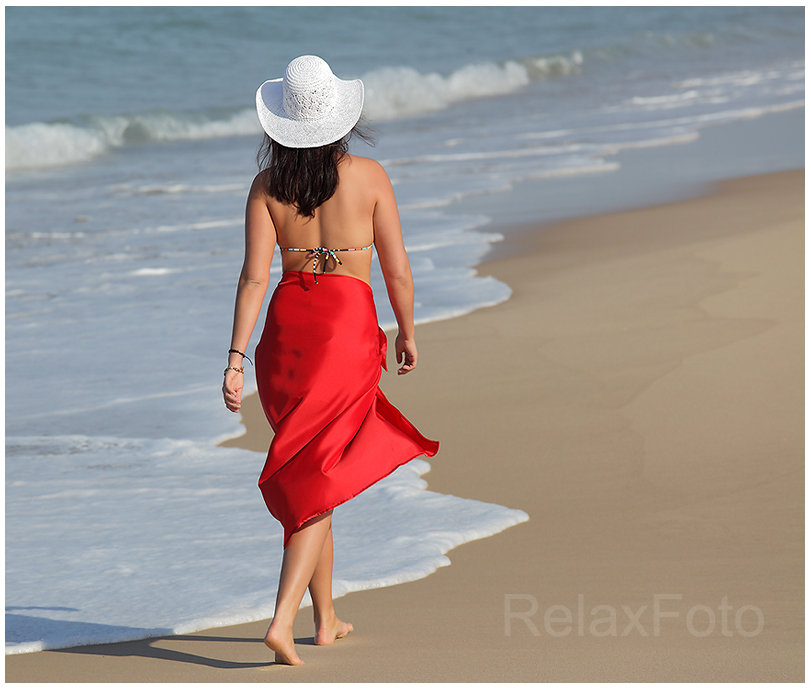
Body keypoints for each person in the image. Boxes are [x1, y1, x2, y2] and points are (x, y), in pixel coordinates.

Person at [222, 55, 439, 666]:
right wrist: (407, 331)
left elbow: (252, 279)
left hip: (287, 335)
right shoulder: (369, 176)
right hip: (345, 331)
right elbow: (397, 267)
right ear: (340, 117)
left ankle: (327, 619)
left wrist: (236, 360)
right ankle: (283, 621)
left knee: (315, 469)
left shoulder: (267, 188)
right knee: (319, 472)